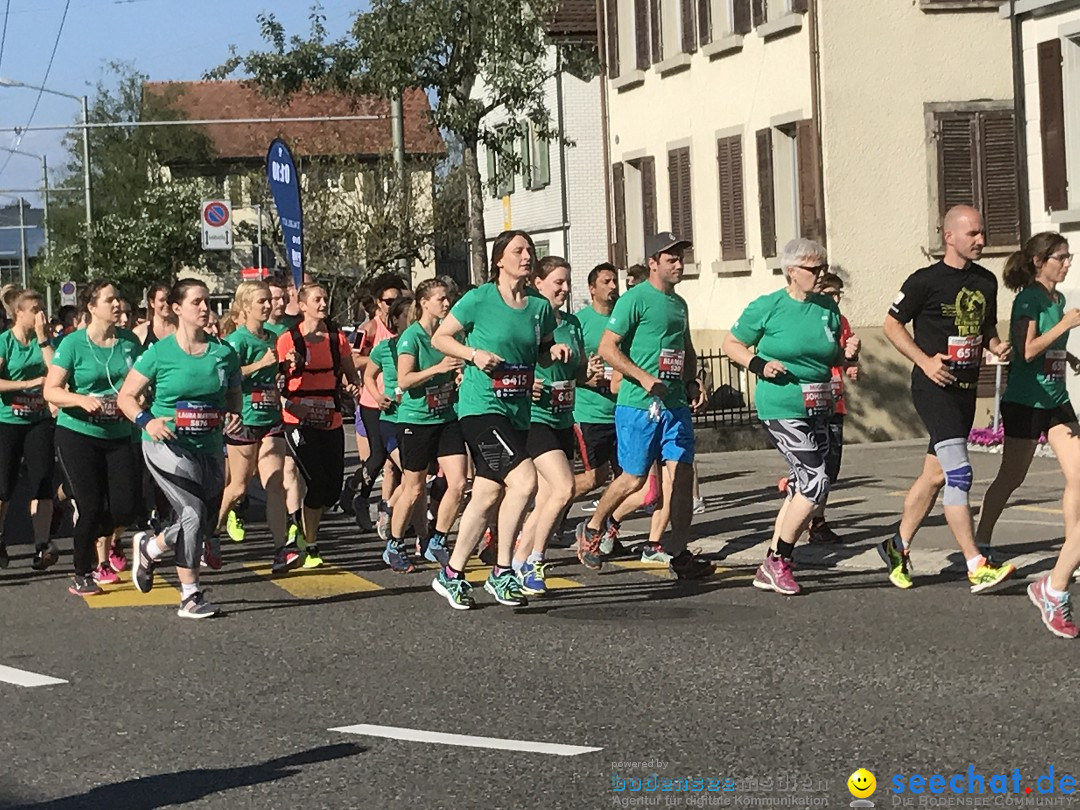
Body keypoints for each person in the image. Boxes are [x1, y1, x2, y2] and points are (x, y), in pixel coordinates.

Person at [430, 230, 570, 609]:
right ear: (499, 260)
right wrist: (473, 354)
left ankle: (452, 574)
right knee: (524, 482)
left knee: (489, 493)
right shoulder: (480, 298)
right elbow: (440, 339)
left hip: (517, 410)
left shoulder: (539, 307)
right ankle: (502, 571)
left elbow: (538, 351)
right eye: (518, 251)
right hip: (480, 409)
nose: (526, 257)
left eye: (529, 251)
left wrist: (552, 350)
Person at [882, 204, 1015, 592]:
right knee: (960, 473)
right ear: (949, 236)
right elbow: (892, 324)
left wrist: (995, 346)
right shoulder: (925, 280)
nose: (981, 240)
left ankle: (898, 545)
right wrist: (924, 361)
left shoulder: (986, 281)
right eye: (973, 233)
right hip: (933, 387)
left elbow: (985, 325)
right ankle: (976, 564)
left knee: (936, 474)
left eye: (982, 233)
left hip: (965, 389)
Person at [574, 232, 714, 580]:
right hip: (638, 404)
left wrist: (693, 380)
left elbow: (686, 347)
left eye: (681, 258)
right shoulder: (634, 300)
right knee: (633, 480)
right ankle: (592, 528)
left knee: (681, 477)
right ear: (653, 264)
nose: (679, 264)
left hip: (675, 406)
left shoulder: (679, 304)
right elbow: (608, 348)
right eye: (671, 259)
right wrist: (643, 377)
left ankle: (679, 553)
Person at [724, 239, 860, 595]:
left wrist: (847, 354)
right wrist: (760, 364)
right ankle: (778, 559)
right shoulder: (768, 307)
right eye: (813, 269)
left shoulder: (827, 307)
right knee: (816, 481)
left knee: (804, 484)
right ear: (791, 271)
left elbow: (831, 357)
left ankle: (770, 563)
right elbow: (731, 344)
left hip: (818, 406)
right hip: (780, 405)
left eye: (823, 269)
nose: (820, 275)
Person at [966, 233, 1080, 636]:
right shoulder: (1028, 300)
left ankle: (1072, 549)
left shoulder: (1059, 301)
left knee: (1078, 477)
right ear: (1038, 262)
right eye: (1060, 258)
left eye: (1069, 257)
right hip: (1025, 402)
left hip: (1056, 401)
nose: (1067, 264)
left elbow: (1050, 350)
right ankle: (981, 542)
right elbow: (1026, 350)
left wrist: (1069, 354)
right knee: (1011, 478)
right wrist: (1065, 328)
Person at [118, 278, 242, 618]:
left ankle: (151, 546)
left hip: (210, 445)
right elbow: (126, 397)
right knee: (191, 512)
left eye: (207, 302)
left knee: (202, 521)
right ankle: (190, 595)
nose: (205, 309)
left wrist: (233, 414)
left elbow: (233, 395)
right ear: (177, 308)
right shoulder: (159, 353)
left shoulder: (224, 353)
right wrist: (148, 421)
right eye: (197, 302)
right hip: (166, 444)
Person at [44, 281, 142, 595]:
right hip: (77, 434)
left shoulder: (128, 342)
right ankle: (82, 572)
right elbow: (51, 390)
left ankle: (91, 535)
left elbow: (143, 381)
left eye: (118, 299)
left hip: (119, 433)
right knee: (90, 506)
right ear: (92, 306)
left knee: (126, 508)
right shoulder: (73, 344)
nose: (117, 305)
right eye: (110, 300)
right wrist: (80, 400)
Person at [508, 256, 589, 595]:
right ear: (538, 284)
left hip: (563, 417)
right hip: (535, 418)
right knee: (564, 488)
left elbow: (579, 373)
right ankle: (536, 560)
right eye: (558, 282)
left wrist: (589, 374)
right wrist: (529, 383)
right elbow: (509, 361)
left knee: (545, 500)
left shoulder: (572, 323)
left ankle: (518, 560)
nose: (565, 289)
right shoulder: (528, 320)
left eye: (568, 282)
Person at [215, 281, 299, 573]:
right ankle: (210, 533)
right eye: (261, 301)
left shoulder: (276, 336)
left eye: (268, 301)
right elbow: (228, 375)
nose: (267, 306)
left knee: (274, 483)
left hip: (271, 418)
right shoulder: (237, 341)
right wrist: (262, 363)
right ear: (245, 307)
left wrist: (290, 363)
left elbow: (281, 369)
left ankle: (280, 550)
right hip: (245, 419)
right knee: (238, 486)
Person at [277, 282, 362, 568]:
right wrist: (291, 367)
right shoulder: (289, 339)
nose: (323, 304)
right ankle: (310, 544)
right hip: (297, 419)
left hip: (330, 417)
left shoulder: (337, 339)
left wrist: (354, 388)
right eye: (317, 299)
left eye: (325, 299)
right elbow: (276, 384)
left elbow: (351, 375)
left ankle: (301, 524)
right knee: (315, 481)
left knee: (331, 490)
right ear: (302, 305)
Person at [393, 279, 467, 570]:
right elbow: (403, 380)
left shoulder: (450, 335)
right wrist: (438, 368)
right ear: (424, 303)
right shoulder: (412, 337)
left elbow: (455, 369)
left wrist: (457, 377)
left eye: (448, 298)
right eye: (440, 299)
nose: (446, 304)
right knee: (413, 488)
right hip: (416, 419)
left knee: (459, 483)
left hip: (446, 417)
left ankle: (437, 539)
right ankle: (395, 542)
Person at [0, 289, 57, 571]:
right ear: (18, 313)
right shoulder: (4, 343)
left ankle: (42, 545)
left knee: (42, 480)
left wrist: (44, 336)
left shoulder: (42, 340)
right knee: (4, 486)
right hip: (8, 420)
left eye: (41, 308)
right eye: (34, 309)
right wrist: (27, 384)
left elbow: (56, 370)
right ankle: (0, 538)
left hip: (39, 419)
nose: (39, 314)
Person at [363, 296, 419, 570]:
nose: (412, 319)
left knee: (417, 481)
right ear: (395, 320)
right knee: (412, 476)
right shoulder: (384, 348)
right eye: (407, 315)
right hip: (390, 419)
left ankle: (424, 537)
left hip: (418, 417)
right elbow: (368, 376)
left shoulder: (423, 343)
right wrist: (378, 396)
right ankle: (389, 511)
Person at [351, 273, 408, 536]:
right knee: (378, 457)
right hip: (373, 401)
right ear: (377, 302)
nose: (393, 305)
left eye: (399, 300)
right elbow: (352, 360)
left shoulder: (406, 327)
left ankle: (395, 509)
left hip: (398, 402)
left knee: (395, 462)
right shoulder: (369, 329)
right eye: (388, 301)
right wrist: (379, 358)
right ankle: (358, 494)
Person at [133, 283, 175, 348]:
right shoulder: (140, 332)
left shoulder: (181, 329)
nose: (166, 304)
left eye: (168, 300)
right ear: (152, 302)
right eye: (162, 300)